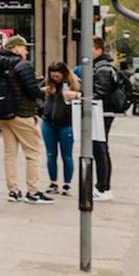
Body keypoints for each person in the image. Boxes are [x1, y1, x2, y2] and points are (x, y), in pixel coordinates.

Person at [0, 35, 53, 204]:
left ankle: (13, 190)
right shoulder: (22, 65)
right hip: (22, 113)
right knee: (33, 153)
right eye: (24, 48)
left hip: (3, 113)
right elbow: (32, 91)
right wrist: (43, 92)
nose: (26, 51)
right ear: (16, 48)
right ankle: (33, 191)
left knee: (10, 154)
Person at [89, 38, 121, 200]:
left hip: (102, 112)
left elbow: (100, 93)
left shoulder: (102, 69)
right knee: (101, 149)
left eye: (90, 48)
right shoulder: (102, 67)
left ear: (99, 50)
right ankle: (103, 186)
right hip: (103, 112)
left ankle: (102, 187)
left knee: (100, 149)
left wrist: (82, 97)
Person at [39, 62, 78, 196]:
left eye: (58, 76)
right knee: (51, 154)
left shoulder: (75, 84)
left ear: (64, 73)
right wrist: (42, 109)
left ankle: (67, 184)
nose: (56, 78)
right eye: (53, 76)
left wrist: (76, 95)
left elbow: (87, 98)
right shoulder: (48, 85)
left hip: (67, 124)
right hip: (48, 122)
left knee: (67, 155)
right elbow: (36, 95)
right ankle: (53, 182)